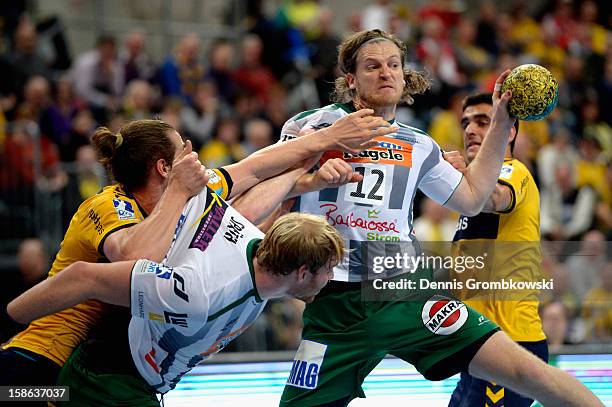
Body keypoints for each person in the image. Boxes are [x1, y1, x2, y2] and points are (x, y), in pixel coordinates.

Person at [236, 29, 602, 407]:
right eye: (373, 66)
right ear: (351, 79)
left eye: (393, 65)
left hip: (405, 293)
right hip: (334, 306)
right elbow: (268, 190)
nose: (386, 73)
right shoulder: (311, 125)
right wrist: (307, 179)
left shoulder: (418, 144)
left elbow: (474, 198)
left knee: (525, 372)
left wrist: (500, 121)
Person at [0, 114, 393, 391]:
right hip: (41, 360)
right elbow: (135, 256)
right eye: (182, 148)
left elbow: (253, 172)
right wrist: (180, 192)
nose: (194, 152)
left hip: (99, 363)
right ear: (163, 168)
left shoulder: (188, 201)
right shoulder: (110, 204)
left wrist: (319, 149)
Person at [8, 210, 344, 406]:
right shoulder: (199, 294)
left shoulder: (252, 238)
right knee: (17, 393)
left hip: (129, 380)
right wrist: (7, 318)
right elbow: (84, 276)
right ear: (302, 272)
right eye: (328, 268)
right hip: (108, 381)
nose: (331, 277)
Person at [445, 92, 548, 407]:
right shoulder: (471, 193)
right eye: (465, 122)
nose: (469, 130)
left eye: (482, 121)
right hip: (481, 343)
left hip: (509, 342)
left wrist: (459, 174)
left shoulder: (512, 171)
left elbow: (493, 199)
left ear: (509, 130)